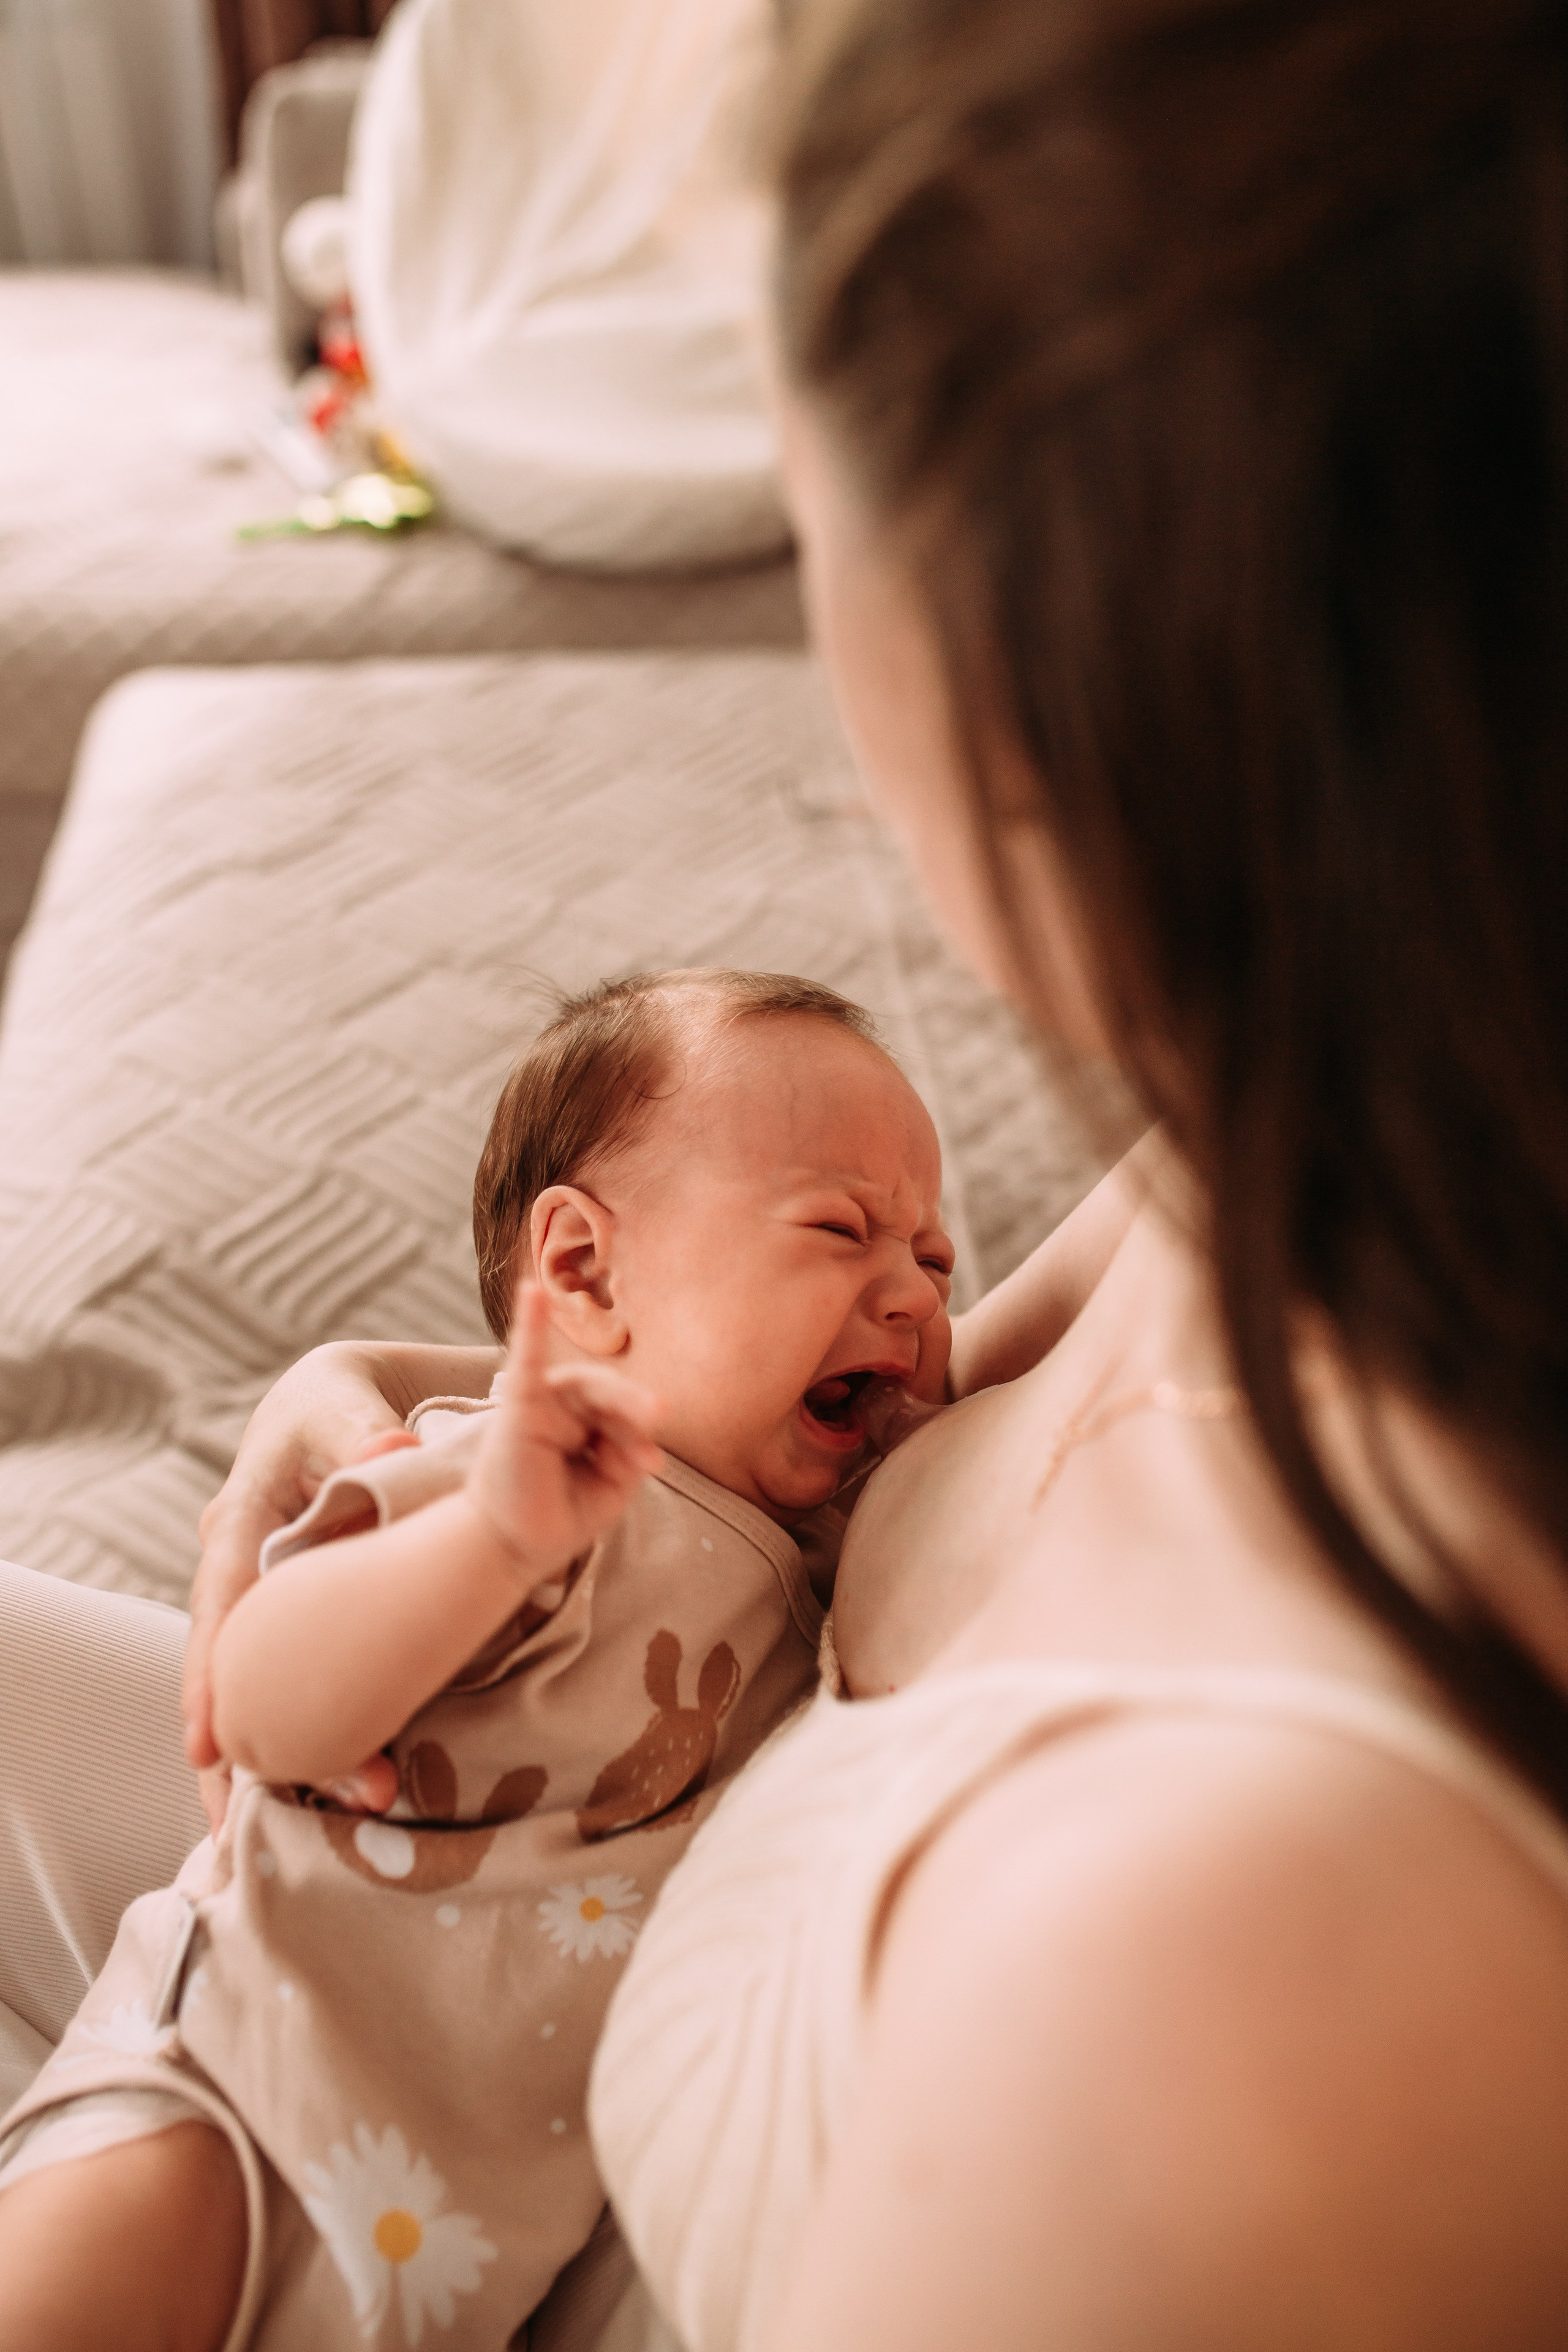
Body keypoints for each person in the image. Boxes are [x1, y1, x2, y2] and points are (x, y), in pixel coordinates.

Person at [4, 0, 1568, 2345]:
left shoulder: (1255, 1980)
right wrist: (420, 1392)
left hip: (528, 2162)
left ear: (1025, 672)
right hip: (447, 1932)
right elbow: (791, 1394)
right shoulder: (1283, 1138)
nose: (912, 1288)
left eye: (799, 513)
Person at [0, 968, 954, 2348]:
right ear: (579, 1270)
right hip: (231, 2098)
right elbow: (259, 1707)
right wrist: (494, 1542)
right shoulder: (506, 1477)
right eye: (841, 1229)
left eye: (932, 1260)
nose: (912, 1295)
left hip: (460, 2247)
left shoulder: (812, 1570)